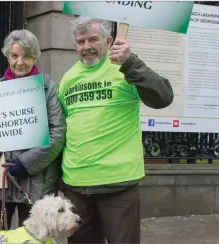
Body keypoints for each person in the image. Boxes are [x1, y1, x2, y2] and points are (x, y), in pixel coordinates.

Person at [58, 17, 174, 244]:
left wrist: (130, 62)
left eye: (93, 39)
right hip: (77, 184)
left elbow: (163, 97)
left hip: (118, 184)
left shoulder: (125, 69)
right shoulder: (68, 79)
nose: (87, 46)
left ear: (108, 41)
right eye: (81, 42)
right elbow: (63, 127)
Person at [0, 30, 66, 231]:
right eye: (14, 56)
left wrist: (26, 163)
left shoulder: (48, 89)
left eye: (27, 55)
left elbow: (57, 133)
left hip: (36, 181)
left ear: (35, 56)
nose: (20, 62)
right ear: (7, 56)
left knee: (33, 236)